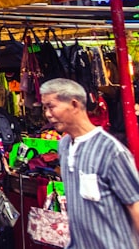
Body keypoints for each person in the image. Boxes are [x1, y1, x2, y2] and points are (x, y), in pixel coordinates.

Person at [40, 78, 139, 248]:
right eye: (45, 108)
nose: (48, 114)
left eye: (51, 106)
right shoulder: (64, 146)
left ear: (74, 104)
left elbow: (134, 204)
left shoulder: (111, 151)